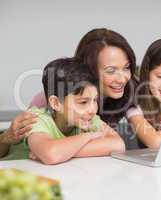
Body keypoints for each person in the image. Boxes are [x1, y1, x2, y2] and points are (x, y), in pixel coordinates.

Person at [0, 28, 138, 157]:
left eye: (126, 67)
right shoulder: (45, 105)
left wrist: (64, 152)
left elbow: (118, 145)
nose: (122, 78)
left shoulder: (123, 94)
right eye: (111, 70)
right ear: (90, 70)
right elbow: (48, 152)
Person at [1, 57, 125, 164]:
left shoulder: (86, 118)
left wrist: (66, 152)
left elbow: (118, 145)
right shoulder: (35, 119)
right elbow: (51, 154)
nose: (93, 109)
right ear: (56, 103)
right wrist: (90, 136)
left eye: (95, 100)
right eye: (83, 102)